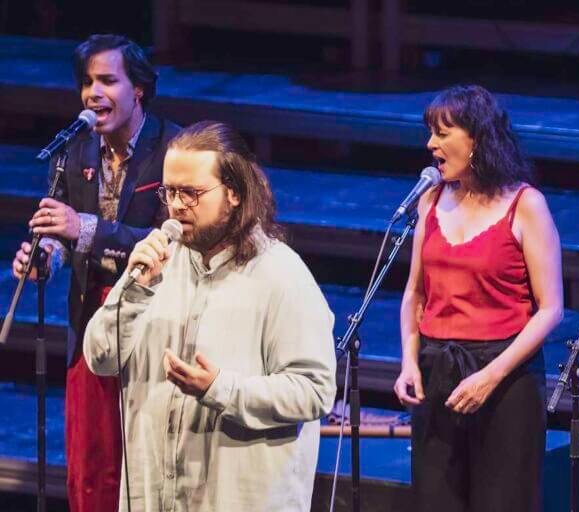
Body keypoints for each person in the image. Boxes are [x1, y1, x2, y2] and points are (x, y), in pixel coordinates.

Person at [82, 121, 337, 511]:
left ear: (234, 192)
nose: (177, 205)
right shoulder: (155, 265)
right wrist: (134, 291)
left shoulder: (281, 275)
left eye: (192, 193)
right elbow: (101, 358)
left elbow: (314, 391)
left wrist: (221, 388)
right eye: (170, 192)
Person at [11, 34, 180, 512]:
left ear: (139, 88)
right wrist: (44, 258)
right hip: (89, 322)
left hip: (153, 326)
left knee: (144, 460)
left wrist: (85, 227)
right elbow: (63, 237)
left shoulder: (173, 148)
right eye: (87, 82)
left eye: (108, 80)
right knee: (92, 461)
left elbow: (171, 242)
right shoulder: (75, 151)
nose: (93, 93)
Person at [393, 85, 564, 511]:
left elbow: (551, 309)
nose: (431, 143)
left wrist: (490, 377)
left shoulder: (526, 205)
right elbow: (415, 292)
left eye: (443, 132)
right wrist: (409, 362)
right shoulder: (430, 201)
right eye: (430, 132)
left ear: (477, 138)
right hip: (439, 370)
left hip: (505, 379)